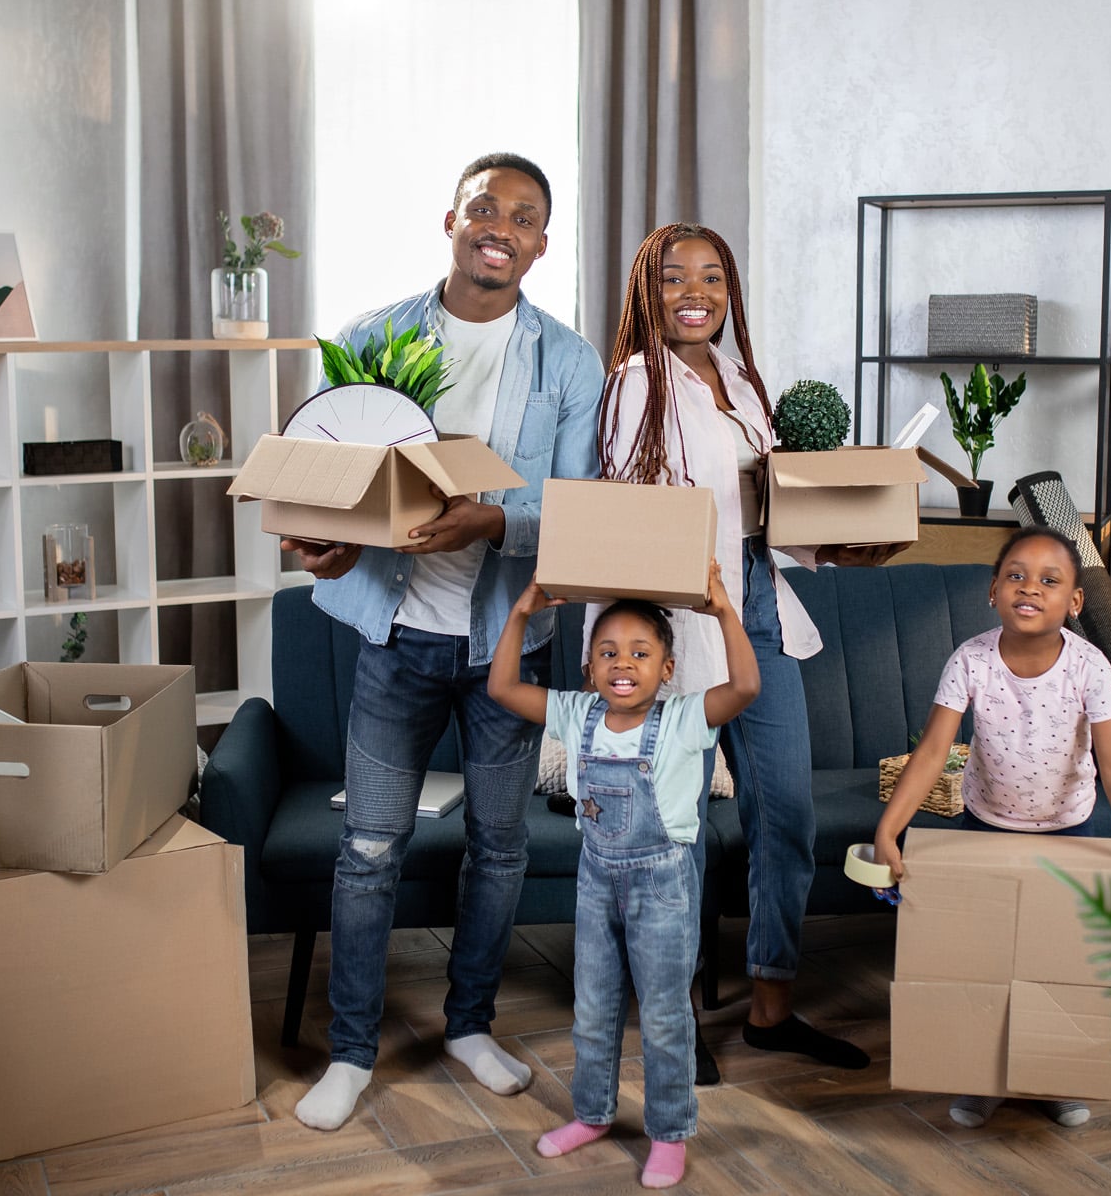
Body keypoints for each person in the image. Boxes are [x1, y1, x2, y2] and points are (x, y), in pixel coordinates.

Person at [287, 153, 606, 1131]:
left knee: (499, 847)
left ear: (542, 242)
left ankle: (470, 1023)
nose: (498, 226)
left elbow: (581, 504)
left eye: (522, 215)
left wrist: (491, 522)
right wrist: (318, 541)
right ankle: (348, 1052)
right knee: (369, 847)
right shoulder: (370, 338)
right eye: (483, 208)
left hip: (508, 644)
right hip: (394, 638)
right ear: (452, 220)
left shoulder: (569, 360)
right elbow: (324, 482)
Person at [598, 221, 898, 1083]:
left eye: (714, 278)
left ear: (730, 294)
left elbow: (767, 513)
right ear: (647, 293)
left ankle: (771, 1009)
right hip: (683, 626)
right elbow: (633, 520)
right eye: (675, 278)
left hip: (760, 616)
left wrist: (832, 545)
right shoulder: (632, 386)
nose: (696, 293)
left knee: (787, 817)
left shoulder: (741, 382)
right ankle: (674, 1021)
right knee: (679, 833)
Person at [872, 524, 1111, 1130]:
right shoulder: (970, 660)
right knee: (986, 963)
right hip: (987, 826)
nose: (1030, 588)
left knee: (1059, 962)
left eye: (1050, 580)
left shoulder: (1091, 668)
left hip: (1066, 832)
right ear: (993, 590)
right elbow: (930, 754)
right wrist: (887, 831)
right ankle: (983, 1077)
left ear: (1074, 602)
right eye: (1016, 576)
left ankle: (1054, 1074)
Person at [487, 566, 759, 1189]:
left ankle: (669, 1133)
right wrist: (522, 612)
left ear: (667, 669)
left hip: (663, 886)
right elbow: (503, 686)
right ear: (589, 667)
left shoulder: (688, 719)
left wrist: (722, 610)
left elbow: (745, 685)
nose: (623, 663)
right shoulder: (577, 713)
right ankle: (593, 1114)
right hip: (596, 881)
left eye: (641, 652)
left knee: (665, 1015)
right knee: (593, 1008)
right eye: (607, 652)